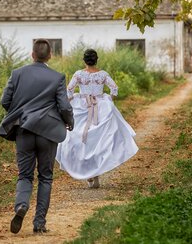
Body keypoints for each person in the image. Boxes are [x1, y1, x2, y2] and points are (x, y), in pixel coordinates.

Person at [0, 39, 74, 234]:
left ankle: (21, 205)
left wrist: (20, 113)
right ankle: (39, 223)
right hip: (48, 133)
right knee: (46, 177)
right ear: (50, 56)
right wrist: (69, 121)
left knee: (24, 175)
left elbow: (5, 100)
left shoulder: (17, 74)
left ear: (32, 54)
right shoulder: (57, 77)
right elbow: (64, 106)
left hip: (24, 129)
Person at [56, 49, 138, 188]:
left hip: (82, 107)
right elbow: (114, 89)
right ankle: (96, 175)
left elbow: (69, 90)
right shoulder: (103, 74)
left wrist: (73, 101)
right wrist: (107, 100)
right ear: (96, 60)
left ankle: (88, 175)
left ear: (84, 60)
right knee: (97, 141)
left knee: (81, 140)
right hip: (100, 108)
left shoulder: (78, 74)